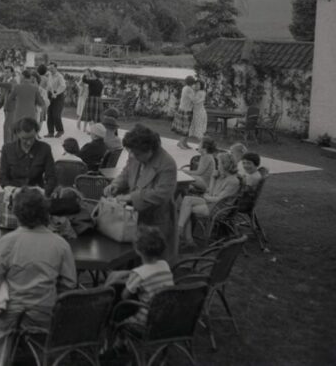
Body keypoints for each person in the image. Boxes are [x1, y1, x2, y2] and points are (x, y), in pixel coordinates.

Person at [0, 187, 77, 366]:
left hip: (11, 311)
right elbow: (70, 284)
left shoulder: (7, 242)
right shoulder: (60, 244)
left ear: (17, 213)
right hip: (45, 311)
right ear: (45, 211)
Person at [104, 124, 178, 262]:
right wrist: (115, 184)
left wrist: (129, 197)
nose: (132, 156)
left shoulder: (167, 164)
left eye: (137, 153)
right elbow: (126, 173)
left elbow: (161, 194)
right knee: (128, 256)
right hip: (134, 218)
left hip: (156, 221)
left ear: (150, 150)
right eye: (131, 152)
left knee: (153, 261)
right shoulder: (135, 155)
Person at [105, 225, 174, 331]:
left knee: (117, 305)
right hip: (164, 317)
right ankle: (120, 342)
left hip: (143, 322)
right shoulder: (165, 265)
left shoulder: (139, 274)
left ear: (138, 250)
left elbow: (124, 296)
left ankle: (115, 339)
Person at [177, 152, 242, 249]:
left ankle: (184, 236)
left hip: (219, 208)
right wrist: (212, 178)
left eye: (219, 163)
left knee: (185, 209)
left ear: (225, 165)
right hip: (212, 202)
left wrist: (206, 196)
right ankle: (183, 233)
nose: (218, 166)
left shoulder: (233, 181)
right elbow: (210, 192)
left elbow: (218, 199)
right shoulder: (221, 176)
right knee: (186, 200)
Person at [0, 117, 57, 196]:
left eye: (32, 138)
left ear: (36, 132)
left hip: (38, 195)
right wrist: (13, 190)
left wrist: (45, 191)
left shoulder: (45, 148)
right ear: (17, 134)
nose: (29, 142)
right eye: (24, 139)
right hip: (15, 194)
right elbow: (2, 176)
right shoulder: (7, 149)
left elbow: (51, 176)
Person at [171, 75, 196, 149]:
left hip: (183, 109)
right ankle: (180, 143)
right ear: (192, 82)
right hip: (186, 110)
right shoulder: (189, 89)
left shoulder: (185, 88)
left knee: (187, 128)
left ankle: (184, 143)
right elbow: (193, 99)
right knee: (186, 128)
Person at [0, 66, 17, 144]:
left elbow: (10, 86)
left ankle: (7, 146)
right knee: (10, 127)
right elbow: (4, 95)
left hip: (12, 108)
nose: (6, 74)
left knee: (7, 127)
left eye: (7, 72)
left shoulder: (13, 81)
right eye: (5, 72)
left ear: (12, 73)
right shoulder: (6, 81)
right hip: (7, 108)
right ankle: (12, 146)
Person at [44, 62, 66, 138]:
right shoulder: (49, 75)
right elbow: (48, 86)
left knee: (56, 114)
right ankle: (50, 132)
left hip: (58, 96)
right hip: (50, 95)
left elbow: (63, 86)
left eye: (52, 68)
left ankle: (60, 130)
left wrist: (56, 93)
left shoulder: (59, 76)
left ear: (56, 68)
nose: (51, 69)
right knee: (49, 114)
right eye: (49, 68)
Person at [187, 79, 208, 144]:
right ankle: (203, 144)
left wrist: (192, 99)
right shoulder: (196, 92)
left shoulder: (202, 92)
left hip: (200, 113)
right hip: (196, 113)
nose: (196, 85)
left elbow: (199, 101)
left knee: (199, 130)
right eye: (196, 84)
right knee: (197, 129)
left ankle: (203, 145)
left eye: (198, 84)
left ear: (201, 85)